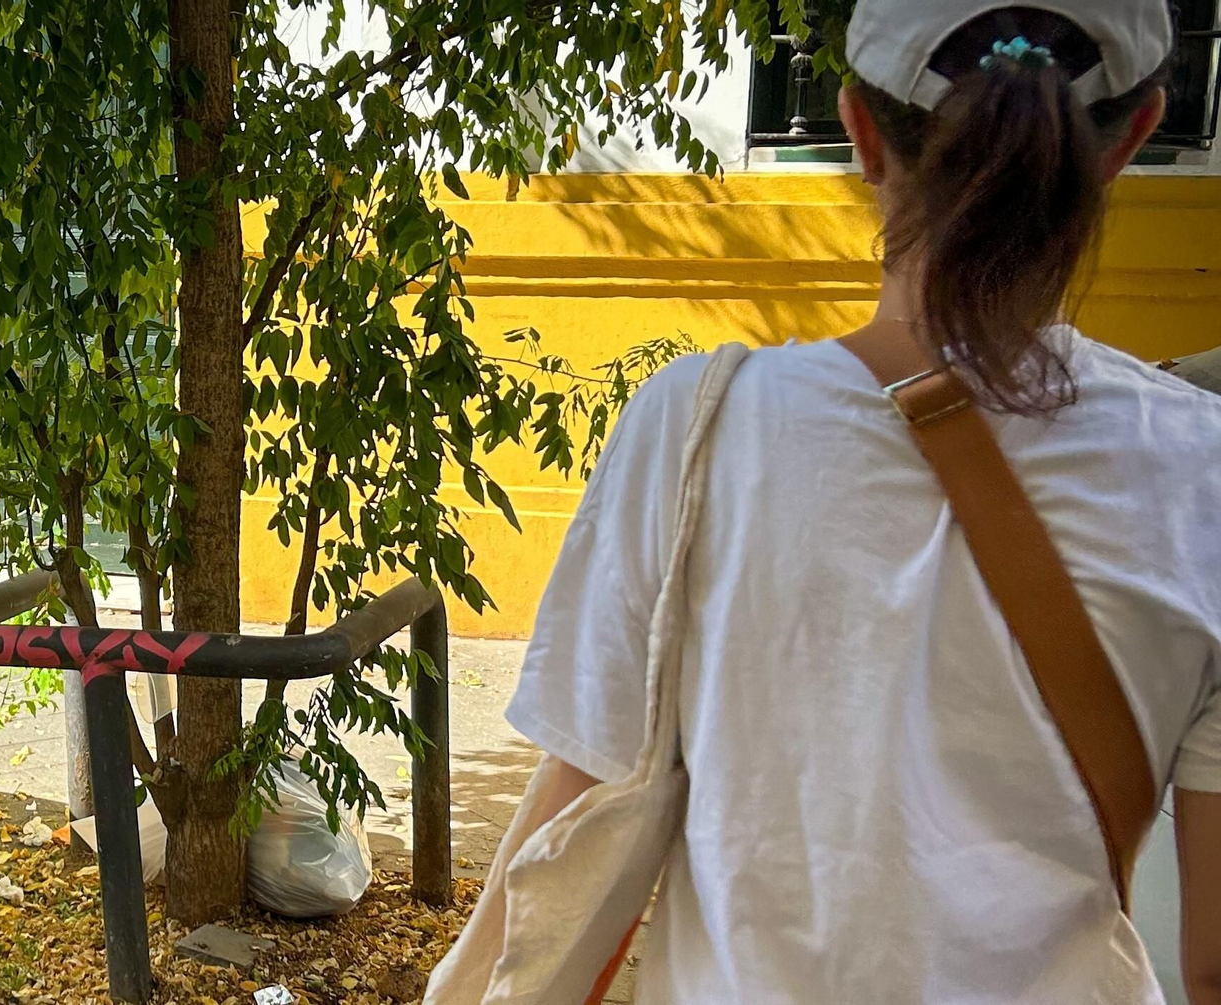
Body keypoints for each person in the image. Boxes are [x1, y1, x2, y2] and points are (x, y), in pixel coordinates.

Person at [499, 2, 1221, 1003]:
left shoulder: (700, 430)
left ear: (860, 130)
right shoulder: (1206, 473)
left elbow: (571, 832)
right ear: (1129, 140)